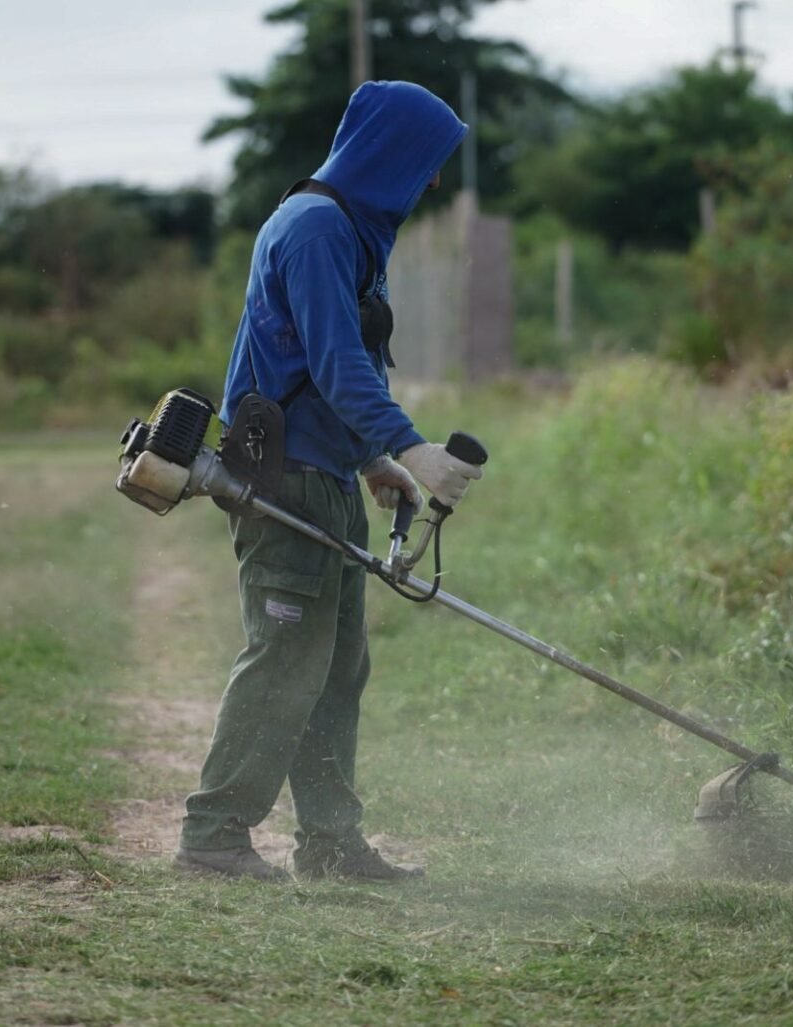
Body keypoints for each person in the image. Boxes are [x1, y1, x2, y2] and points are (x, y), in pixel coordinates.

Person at [176, 81, 484, 882]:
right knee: (285, 659)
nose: (434, 180)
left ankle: (331, 843)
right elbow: (336, 362)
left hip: (326, 476)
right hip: (284, 480)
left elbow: (327, 365)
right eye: (428, 160)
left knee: (338, 665)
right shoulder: (315, 230)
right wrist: (409, 446)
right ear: (391, 153)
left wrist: (370, 460)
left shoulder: (345, 229)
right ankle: (213, 834)